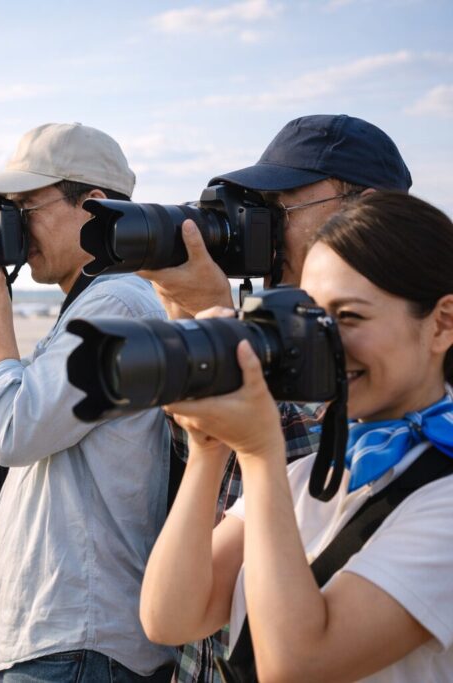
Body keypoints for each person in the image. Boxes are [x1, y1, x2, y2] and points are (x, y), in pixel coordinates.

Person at [139, 192, 453, 682]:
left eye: (348, 317)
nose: (322, 344)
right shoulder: (313, 471)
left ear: (442, 323)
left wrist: (259, 452)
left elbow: (297, 665)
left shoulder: (443, 499)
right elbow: (172, 617)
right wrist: (207, 447)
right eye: (311, 318)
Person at [0, 122, 175, 682]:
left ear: (95, 205)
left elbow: (12, 435)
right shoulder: (89, 304)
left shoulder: (116, 308)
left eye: (26, 207)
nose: (13, 226)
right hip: (60, 637)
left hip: (83, 640)